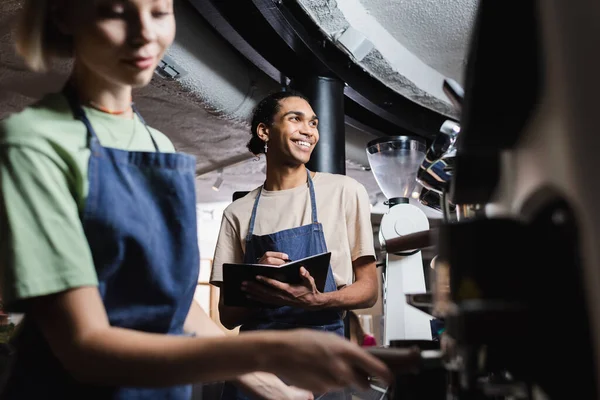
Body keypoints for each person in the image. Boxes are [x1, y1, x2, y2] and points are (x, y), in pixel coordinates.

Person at [0, 1, 405, 398]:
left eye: (160, 12)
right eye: (116, 11)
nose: (146, 33)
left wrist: (273, 387)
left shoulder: (155, 145)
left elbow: (175, 308)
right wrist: (267, 351)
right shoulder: (34, 144)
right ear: (64, 15)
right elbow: (83, 349)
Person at [210, 91, 380, 399]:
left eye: (313, 122)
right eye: (295, 119)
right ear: (264, 131)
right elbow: (228, 316)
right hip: (256, 366)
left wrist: (318, 301)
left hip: (322, 362)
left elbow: (368, 289)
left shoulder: (345, 192)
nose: (309, 130)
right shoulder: (238, 212)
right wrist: (253, 279)